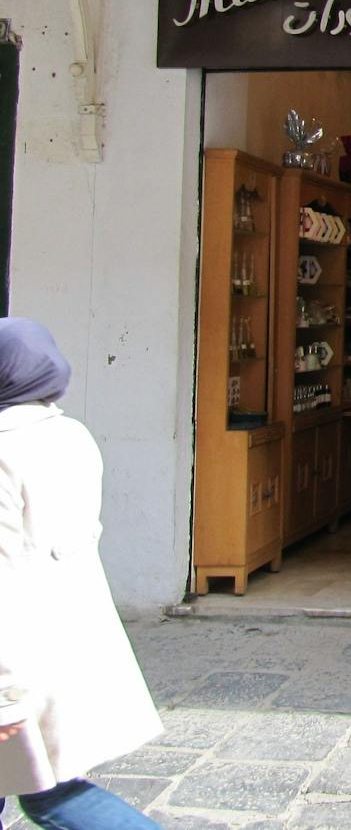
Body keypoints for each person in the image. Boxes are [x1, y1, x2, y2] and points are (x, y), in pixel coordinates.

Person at [0, 318, 164, 828]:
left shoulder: (4, 450)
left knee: (51, 794)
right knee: (46, 787)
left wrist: (4, 696)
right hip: (67, 637)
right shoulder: (71, 434)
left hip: (19, 654)